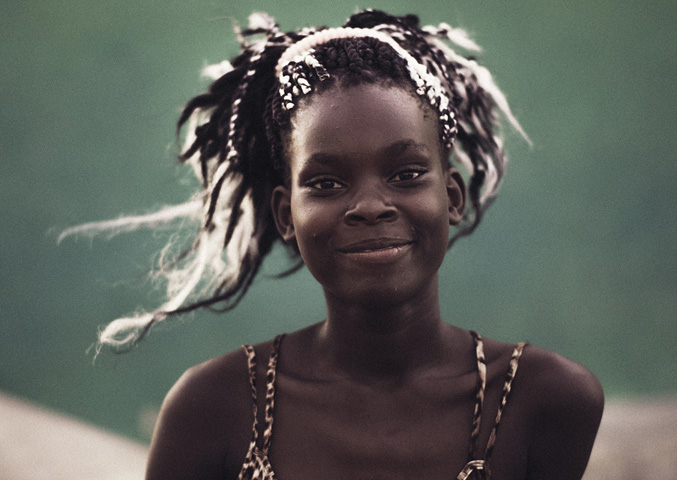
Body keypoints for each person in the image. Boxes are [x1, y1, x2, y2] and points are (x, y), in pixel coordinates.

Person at [63, 9, 604, 480]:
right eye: (326, 183)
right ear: (285, 216)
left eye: (407, 172)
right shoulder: (214, 410)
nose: (370, 205)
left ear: (452, 195)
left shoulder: (546, 402)